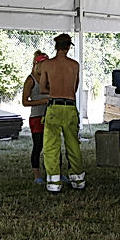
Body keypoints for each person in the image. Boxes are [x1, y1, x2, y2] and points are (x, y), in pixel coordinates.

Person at [39, 33, 85, 193]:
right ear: (68, 47)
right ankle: (78, 180)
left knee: (51, 146)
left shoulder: (46, 65)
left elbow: (43, 88)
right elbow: (75, 88)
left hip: (54, 107)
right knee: (73, 144)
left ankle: (54, 182)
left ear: (56, 47)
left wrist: (55, 90)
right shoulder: (75, 65)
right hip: (70, 107)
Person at [21, 51, 50, 185]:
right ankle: (37, 176)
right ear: (36, 64)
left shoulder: (48, 78)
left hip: (50, 115)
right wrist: (43, 101)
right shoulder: (30, 80)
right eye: (43, 65)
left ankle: (56, 173)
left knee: (52, 146)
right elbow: (25, 102)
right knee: (38, 146)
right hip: (36, 117)